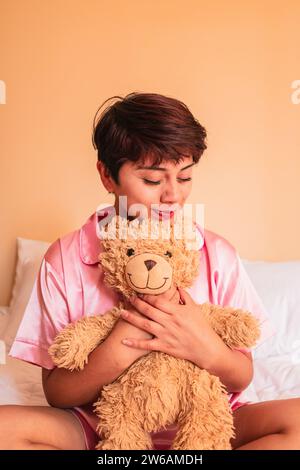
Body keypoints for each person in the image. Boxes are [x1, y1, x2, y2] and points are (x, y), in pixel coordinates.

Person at [1, 92, 300, 450]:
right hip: (104, 428)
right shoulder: (65, 259)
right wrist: (122, 345)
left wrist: (203, 346)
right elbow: (58, 392)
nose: (173, 195)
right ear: (107, 176)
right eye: (153, 180)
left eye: (185, 177)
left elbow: (242, 376)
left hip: (209, 425)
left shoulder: (215, 253)